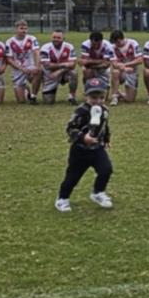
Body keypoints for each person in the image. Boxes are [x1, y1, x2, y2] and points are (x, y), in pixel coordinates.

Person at [54, 77, 114, 213]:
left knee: (106, 169)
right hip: (80, 151)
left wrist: (106, 139)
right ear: (86, 96)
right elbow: (70, 128)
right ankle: (62, 198)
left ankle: (98, 192)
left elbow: (104, 125)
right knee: (73, 176)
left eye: (101, 97)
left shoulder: (104, 110)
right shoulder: (81, 111)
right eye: (94, 97)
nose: (97, 101)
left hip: (97, 149)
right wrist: (82, 137)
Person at [6, 20, 41, 104]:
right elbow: (9, 59)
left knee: (39, 72)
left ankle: (33, 96)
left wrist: (36, 66)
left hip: (30, 66)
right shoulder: (9, 42)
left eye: (25, 28)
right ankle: (26, 89)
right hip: (18, 69)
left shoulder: (32, 38)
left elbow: (36, 52)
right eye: (21, 28)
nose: (24, 30)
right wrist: (22, 69)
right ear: (16, 29)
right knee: (21, 101)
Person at [40, 29, 78, 105]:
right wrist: (64, 64)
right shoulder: (45, 47)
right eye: (54, 37)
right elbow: (47, 65)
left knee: (74, 73)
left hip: (63, 74)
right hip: (50, 76)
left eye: (58, 38)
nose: (56, 39)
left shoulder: (69, 47)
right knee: (48, 102)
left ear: (63, 39)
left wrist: (59, 71)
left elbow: (73, 64)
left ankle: (72, 96)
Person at [109, 30, 143, 105]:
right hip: (121, 71)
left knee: (130, 100)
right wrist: (125, 68)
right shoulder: (112, 47)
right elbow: (114, 64)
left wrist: (125, 65)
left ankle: (119, 93)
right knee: (115, 72)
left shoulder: (133, 43)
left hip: (132, 71)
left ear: (121, 39)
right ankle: (114, 97)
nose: (116, 44)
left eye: (117, 42)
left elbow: (140, 60)